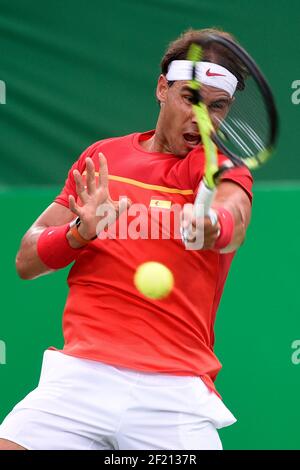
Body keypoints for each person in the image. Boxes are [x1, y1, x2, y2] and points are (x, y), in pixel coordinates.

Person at [0, 28, 252, 450]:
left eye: (218, 106)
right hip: (81, 378)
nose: (201, 118)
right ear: (162, 89)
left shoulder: (224, 168)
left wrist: (213, 226)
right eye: (190, 99)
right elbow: (27, 260)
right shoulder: (104, 159)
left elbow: (234, 217)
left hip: (173, 394)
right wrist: (79, 233)